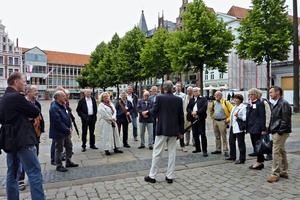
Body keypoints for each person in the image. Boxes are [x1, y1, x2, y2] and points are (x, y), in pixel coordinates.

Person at [0, 72, 45, 200]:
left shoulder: (4, 97)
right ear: (16, 82)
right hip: (23, 139)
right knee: (34, 172)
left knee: (13, 173)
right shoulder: (16, 97)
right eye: (24, 81)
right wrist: (27, 115)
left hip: (10, 140)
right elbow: (35, 111)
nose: (25, 84)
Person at [144, 80, 184, 184]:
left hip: (162, 129)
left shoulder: (160, 97)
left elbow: (154, 110)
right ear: (173, 88)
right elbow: (181, 116)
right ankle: (170, 176)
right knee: (172, 153)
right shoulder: (179, 100)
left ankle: (152, 176)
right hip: (174, 129)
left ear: (164, 88)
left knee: (157, 152)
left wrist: (147, 112)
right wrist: (181, 131)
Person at [19, 85, 45, 191]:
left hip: (36, 134)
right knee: (24, 157)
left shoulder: (37, 103)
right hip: (26, 135)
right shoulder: (23, 103)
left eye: (37, 91)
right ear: (28, 92)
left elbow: (40, 116)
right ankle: (20, 180)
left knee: (35, 156)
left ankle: (32, 178)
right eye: (35, 91)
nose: (37, 92)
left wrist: (41, 128)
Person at [267, 86, 291, 183]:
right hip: (277, 130)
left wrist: (280, 131)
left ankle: (275, 174)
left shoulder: (283, 103)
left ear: (278, 92)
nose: (270, 94)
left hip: (280, 131)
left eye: (271, 92)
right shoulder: (276, 103)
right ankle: (284, 172)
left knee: (276, 152)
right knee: (282, 151)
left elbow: (286, 119)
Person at [50, 90, 79, 172]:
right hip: (59, 132)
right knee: (59, 149)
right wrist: (67, 129)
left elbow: (67, 116)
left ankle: (68, 161)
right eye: (63, 96)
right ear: (57, 97)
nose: (65, 97)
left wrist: (69, 126)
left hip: (65, 131)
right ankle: (59, 165)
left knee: (69, 146)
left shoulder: (63, 105)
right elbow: (57, 122)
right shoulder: (54, 107)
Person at [247, 88, 266, 170]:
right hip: (252, 127)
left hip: (257, 127)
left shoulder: (259, 103)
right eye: (249, 94)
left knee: (258, 146)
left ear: (257, 95)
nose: (250, 96)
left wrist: (263, 129)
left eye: (252, 94)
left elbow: (262, 117)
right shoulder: (250, 103)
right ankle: (260, 161)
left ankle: (259, 162)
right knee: (255, 145)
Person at [209, 90, 233, 157]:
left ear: (221, 96)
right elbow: (211, 110)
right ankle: (218, 149)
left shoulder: (226, 102)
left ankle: (225, 150)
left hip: (222, 121)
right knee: (217, 136)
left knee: (224, 136)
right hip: (215, 121)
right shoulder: (214, 103)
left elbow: (232, 111)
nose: (216, 96)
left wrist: (227, 120)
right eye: (215, 95)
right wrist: (212, 117)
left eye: (218, 95)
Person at [187, 87, 208, 157]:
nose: (195, 92)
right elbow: (188, 108)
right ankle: (197, 148)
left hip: (200, 119)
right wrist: (192, 112)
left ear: (199, 92)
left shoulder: (203, 99)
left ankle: (204, 150)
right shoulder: (192, 100)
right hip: (193, 119)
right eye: (194, 91)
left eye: (196, 91)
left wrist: (197, 113)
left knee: (202, 134)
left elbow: (204, 108)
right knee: (195, 134)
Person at [226, 94, 247, 164]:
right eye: (234, 98)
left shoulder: (243, 107)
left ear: (240, 99)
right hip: (232, 126)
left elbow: (245, 117)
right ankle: (232, 155)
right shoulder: (234, 107)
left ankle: (242, 158)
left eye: (237, 99)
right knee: (231, 142)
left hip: (239, 127)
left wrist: (239, 116)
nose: (235, 100)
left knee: (241, 143)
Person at [76, 88, 98, 152]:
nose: (88, 93)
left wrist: (94, 116)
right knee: (84, 132)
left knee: (92, 132)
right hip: (85, 118)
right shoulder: (81, 101)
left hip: (92, 118)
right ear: (84, 93)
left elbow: (95, 108)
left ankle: (92, 144)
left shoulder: (93, 100)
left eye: (89, 92)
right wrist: (83, 116)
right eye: (87, 92)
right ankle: (83, 145)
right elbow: (78, 110)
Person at [257, 89, 272, 161]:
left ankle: (269, 154)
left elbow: (268, 114)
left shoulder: (264, 102)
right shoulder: (255, 102)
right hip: (258, 125)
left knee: (266, 139)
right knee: (260, 140)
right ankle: (260, 152)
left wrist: (266, 125)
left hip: (264, 125)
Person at [173, 82, 187, 152]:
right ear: (175, 87)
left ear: (181, 87)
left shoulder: (184, 95)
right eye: (177, 86)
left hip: (181, 115)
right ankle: (170, 145)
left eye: (179, 86)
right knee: (172, 130)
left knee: (181, 130)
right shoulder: (172, 95)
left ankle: (182, 145)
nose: (178, 88)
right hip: (173, 115)